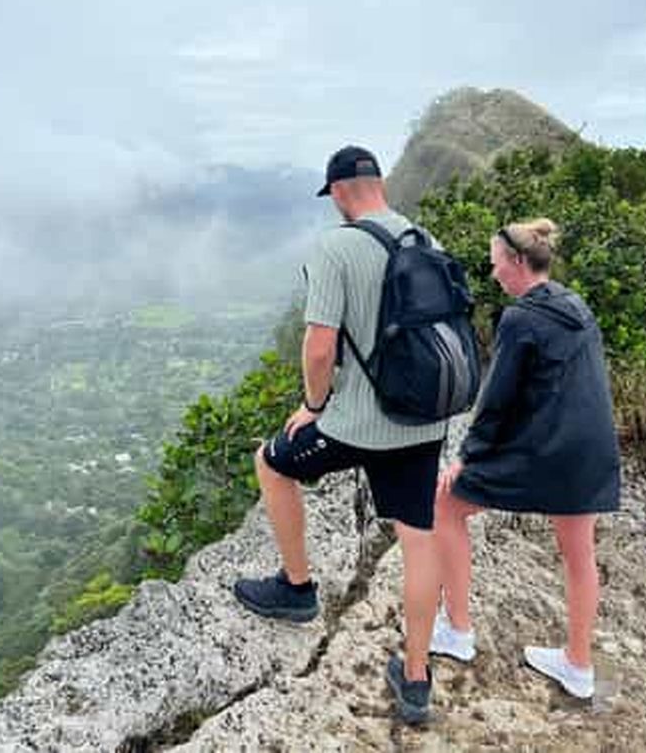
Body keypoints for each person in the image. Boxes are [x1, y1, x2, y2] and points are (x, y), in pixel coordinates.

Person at [233, 145, 446, 724]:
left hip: (361, 422)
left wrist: (313, 405)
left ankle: (297, 589)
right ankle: (416, 678)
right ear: (380, 183)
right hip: (424, 416)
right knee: (418, 537)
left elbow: (320, 347)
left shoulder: (337, 247)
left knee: (272, 462)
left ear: (340, 193)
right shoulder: (424, 239)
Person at [430, 219, 620, 700]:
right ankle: (578, 666)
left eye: (497, 264)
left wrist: (468, 456)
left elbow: (497, 399)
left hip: (548, 450)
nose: (494, 274)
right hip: (591, 449)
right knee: (579, 554)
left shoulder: (520, 319)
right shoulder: (575, 305)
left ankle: (457, 630)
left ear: (517, 262)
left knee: (445, 505)